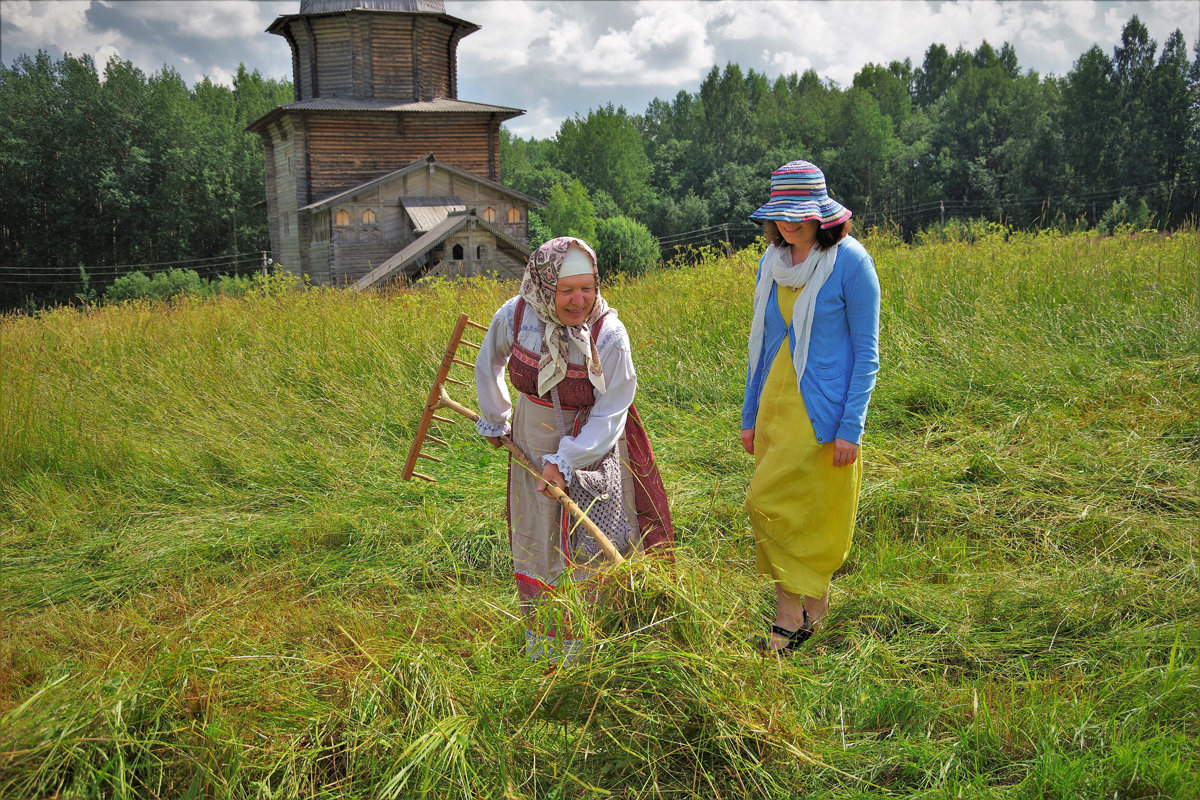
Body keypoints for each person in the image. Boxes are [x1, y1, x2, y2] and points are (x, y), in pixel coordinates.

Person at [475, 236, 673, 662]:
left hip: (594, 447)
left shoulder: (609, 334)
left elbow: (613, 410)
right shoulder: (517, 316)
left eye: (587, 287)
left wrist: (568, 460)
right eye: (566, 290)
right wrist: (495, 417)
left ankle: (598, 646)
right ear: (545, 286)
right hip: (531, 435)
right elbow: (488, 361)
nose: (578, 300)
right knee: (539, 537)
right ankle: (547, 649)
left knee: (591, 541)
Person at [741, 160, 880, 655]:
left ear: (823, 214)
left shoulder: (851, 262)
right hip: (777, 406)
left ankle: (792, 618)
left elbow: (867, 353)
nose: (787, 223)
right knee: (773, 507)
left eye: (798, 214)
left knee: (805, 512)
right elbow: (761, 343)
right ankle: (807, 614)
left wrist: (851, 427)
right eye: (780, 213)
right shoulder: (773, 264)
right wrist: (748, 415)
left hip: (823, 413)